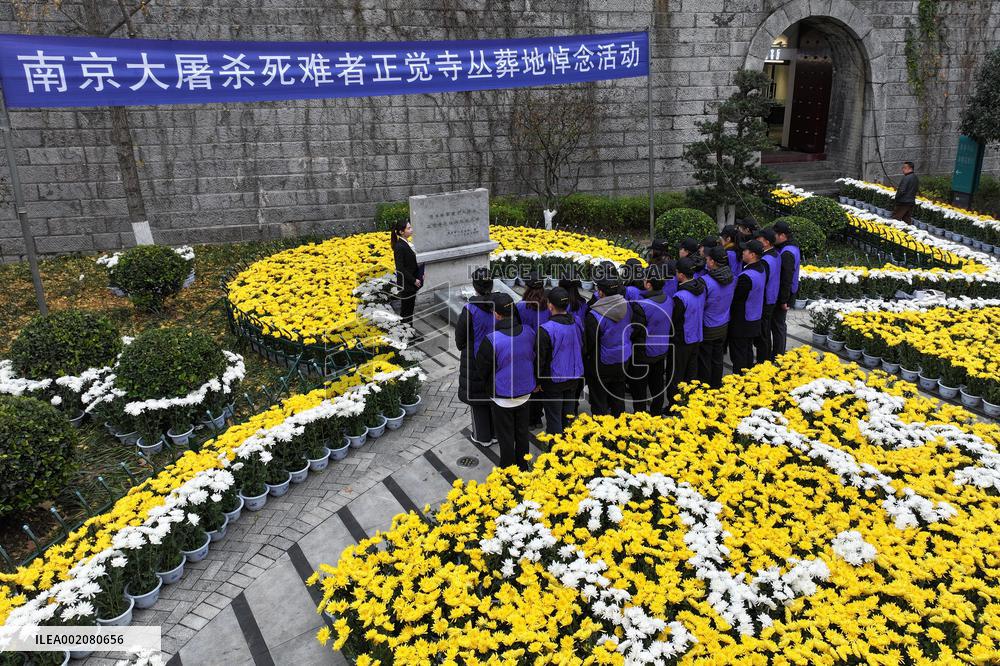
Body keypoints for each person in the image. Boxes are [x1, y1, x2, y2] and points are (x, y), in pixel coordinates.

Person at [476, 293, 536, 471]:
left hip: (502, 397)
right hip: (525, 393)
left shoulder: (492, 340)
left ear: (496, 314)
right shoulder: (529, 331)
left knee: (506, 435)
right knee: (522, 432)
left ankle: (507, 468)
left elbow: (483, 369)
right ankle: (523, 465)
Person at [584, 274, 642, 416]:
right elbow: (635, 327)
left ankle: (601, 431)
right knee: (618, 395)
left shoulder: (594, 315)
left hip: (602, 363)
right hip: (623, 358)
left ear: (601, 292)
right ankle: (618, 427)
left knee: (599, 398)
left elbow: (590, 344)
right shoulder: (628, 306)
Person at [455, 268, 496, 447]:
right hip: (498, 356)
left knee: (478, 401)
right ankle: (495, 434)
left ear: (474, 287)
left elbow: (460, 339)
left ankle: (482, 437)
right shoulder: (501, 304)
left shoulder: (470, 309)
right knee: (495, 398)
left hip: (475, 360)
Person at [536, 287, 584, 435]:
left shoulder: (545, 329)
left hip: (553, 381)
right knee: (567, 416)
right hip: (574, 377)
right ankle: (568, 449)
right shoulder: (576, 321)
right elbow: (583, 346)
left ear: (550, 306)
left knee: (554, 418)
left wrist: (537, 381)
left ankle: (555, 452)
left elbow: (540, 360)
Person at [633, 265, 673, 415]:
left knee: (639, 387)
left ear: (648, 284)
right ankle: (656, 413)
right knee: (657, 385)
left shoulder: (642, 306)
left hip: (644, 353)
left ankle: (640, 416)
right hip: (661, 349)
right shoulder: (669, 300)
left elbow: (635, 330)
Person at [666, 258, 706, 408]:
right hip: (696, 335)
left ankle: (673, 404)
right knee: (691, 373)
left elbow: (674, 320)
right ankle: (689, 401)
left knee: (675, 375)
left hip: (681, 340)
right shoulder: (700, 288)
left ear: (681, 275)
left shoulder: (680, 296)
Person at [698, 247, 736, 389]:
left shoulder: (705, 281)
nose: (706, 262)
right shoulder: (732, 278)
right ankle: (716, 384)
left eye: (707, 259)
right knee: (718, 357)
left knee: (705, 359)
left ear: (712, 262)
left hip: (708, 326)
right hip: (724, 324)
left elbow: (701, 305)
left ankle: (706, 388)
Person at [516, 272, 549, 428]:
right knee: (540, 384)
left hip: (527, 351)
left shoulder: (520, 307)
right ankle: (537, 417)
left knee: (529, 384)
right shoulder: (549, 306)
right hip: (544, 350)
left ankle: (530, 419)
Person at [728, 240, 766, 374]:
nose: (742, 252)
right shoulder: (761, 268)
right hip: (755, 317)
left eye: (745, 251)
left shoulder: (746, 277)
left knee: (739, 352)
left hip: (743, 320)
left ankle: (738, 378)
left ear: (752, 254)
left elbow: (736, 299)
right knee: (748, 350)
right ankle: (748, 375)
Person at [772, 221, 801, 358]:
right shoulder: (792, 246)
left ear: (783, 235)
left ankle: (778, 354)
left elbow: (786, 279)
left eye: (775, 235)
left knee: (778, 325)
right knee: (779, 325)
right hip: (790, 291)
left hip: (786, 293)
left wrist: (784, 300)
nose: (773, 238)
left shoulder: (787, 253)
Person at [754, 228, 780, 364]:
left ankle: (763, 361)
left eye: (760, 240)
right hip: (773, 296)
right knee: (766, 330)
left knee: (763, 333)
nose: (758, 241)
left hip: (766, 299)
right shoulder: (775, 254)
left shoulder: (765, 260)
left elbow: (762, 280)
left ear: (767, 242)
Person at [391, 220, 424, 326]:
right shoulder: (400, 247)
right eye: (408, 228)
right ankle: (406, 337)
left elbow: (410, 264)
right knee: (406, 312)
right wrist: (414, 280)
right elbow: (400, 268)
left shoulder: (406, 244)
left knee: (409, 311)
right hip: (407, 284)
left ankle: (410, 334)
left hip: (410, 283)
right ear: (401, 232)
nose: (411, 230)